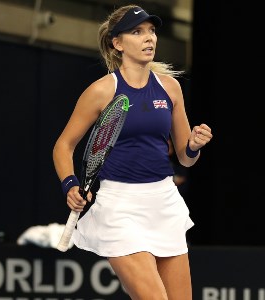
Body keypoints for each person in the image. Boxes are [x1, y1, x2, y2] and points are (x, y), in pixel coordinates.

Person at [52, 4, 212, 299]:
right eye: (137, 32)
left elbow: (185, 158)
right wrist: (70, 184)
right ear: (118, 43)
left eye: (151, 31)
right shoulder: (101, 91)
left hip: (163, 202)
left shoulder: (170, 88)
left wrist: (193, 145)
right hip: (120, 208)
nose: (149, 38)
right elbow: (64, 145)